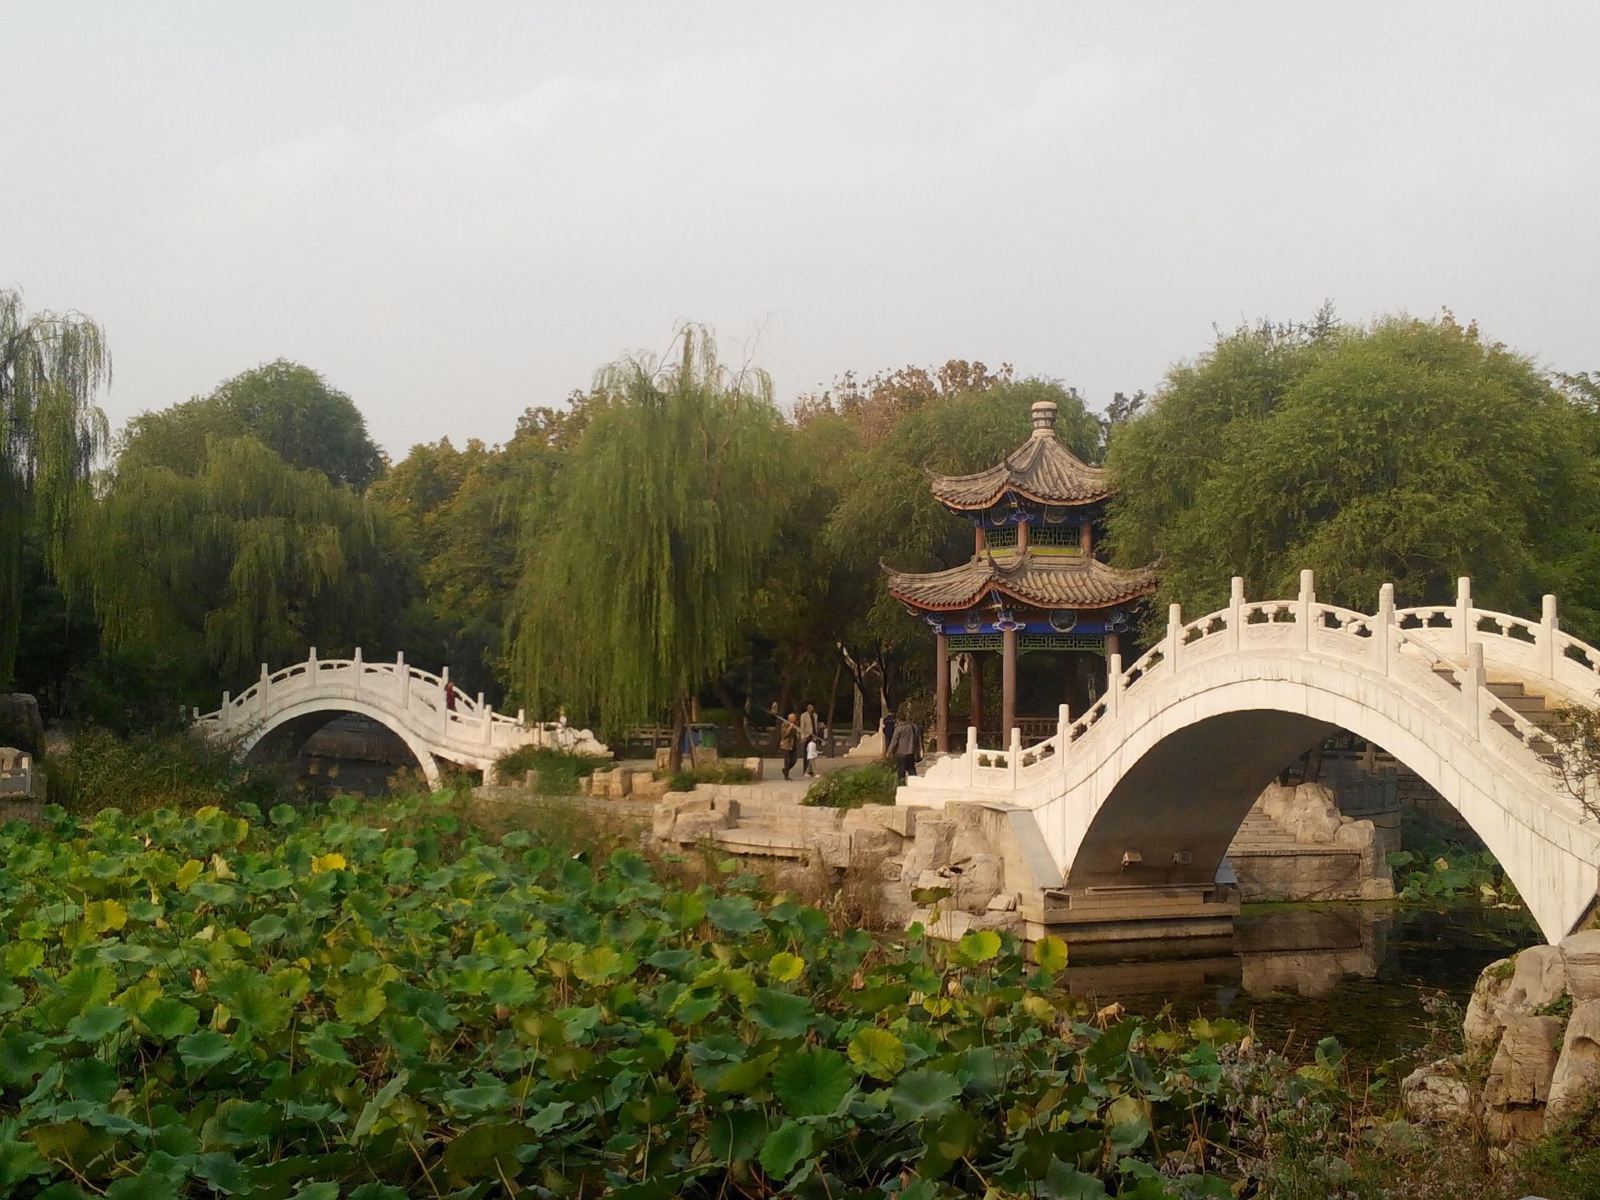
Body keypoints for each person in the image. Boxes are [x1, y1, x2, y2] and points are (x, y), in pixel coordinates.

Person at [888, 709, 919, 785]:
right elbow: (916, 737)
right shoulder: (912, 726)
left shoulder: (898, 729)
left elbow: (894, 741)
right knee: (911, 770)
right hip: (911, 752)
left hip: (901, 753)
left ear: (898, 719)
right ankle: (915, 784)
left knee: (901, 772)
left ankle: (901, 785)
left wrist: (889, 752)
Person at [778, 712, 800, 780]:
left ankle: (785, 770)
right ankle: (786, 776)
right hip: (786, 745)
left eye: (795, 717)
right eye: (794, 717)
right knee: (787, 761)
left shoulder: (795, 724)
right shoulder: (785, 724)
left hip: (794, 745)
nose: (795, 718)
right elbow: (784, 734)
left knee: (794, 760)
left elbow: (797, 733)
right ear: (790, 719)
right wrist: (790, 728)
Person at [799, 703, 819, 776]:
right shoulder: (803, 715)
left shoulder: (815, 715)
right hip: (807, 735)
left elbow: (815, 725)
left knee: (813, 753)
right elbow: (802, 727)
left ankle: (810, 770)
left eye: (811, 707)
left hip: (814, 735)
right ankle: (806, 770)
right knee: (806, 754)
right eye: (809, 707)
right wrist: (803, 736)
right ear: (807, 708)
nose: (810, 708)